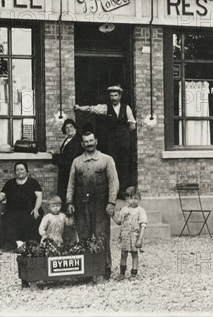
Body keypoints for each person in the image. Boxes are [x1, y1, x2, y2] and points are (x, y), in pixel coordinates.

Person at [67, 131, 119, 280]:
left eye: (91, 141)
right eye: (86, 142)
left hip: (101, 204)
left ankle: (105, 268)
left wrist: (111, 202)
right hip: (81, 204)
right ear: (82, 144)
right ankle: (86, 270)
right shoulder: (77, 162)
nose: (89, 144)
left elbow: (113, 182)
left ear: (96, 141)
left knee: (102, 236)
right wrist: (69, 202)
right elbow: (71, 183)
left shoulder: (106, 160)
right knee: (84, 236)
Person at [74, 85, 136, 199]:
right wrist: (78, 108)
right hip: (112, 140)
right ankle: (113, 192)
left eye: (116, 95)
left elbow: (132, 124)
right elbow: (91, 108)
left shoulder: (126, 108)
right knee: (112, 165)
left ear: (120, 96)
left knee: (124, 165)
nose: (113, 98)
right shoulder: (105, 108)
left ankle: (123, 192)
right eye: (111, 95)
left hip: (124, 140)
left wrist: (125, 133)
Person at [0, 161, 43, 250]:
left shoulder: (33, 182)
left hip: (29, 210)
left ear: (26, 171)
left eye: (22, 169)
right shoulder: (10, 183)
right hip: (13, 211)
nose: (19, 171)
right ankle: (16, 243)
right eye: (17, 170)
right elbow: (2, 195)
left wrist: (36, 209)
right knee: (8, 219)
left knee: (32, 218)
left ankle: (29, 244)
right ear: (15, 172)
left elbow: (39, 197)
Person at [111, 186, 147, 281]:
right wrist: (112, 215)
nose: (133, 201)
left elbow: (143, 225)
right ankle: (122, 273)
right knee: (123, 254)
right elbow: (119, 222)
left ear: (139, 199)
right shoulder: (123, 210)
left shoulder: (140, 211)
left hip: (134, 236)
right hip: (124, 235)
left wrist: (140, 239)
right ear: (127, 199)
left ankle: (134, 273)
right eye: (131, 198)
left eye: (136, 198)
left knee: (134, 254)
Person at [51, 118, 83, 211]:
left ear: (75, 128)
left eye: (71, 127)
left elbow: (70, 158)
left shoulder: (77, 140)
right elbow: (65, 155)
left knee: (69, 192)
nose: (69, 129)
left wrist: (55, 157)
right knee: (64, 192)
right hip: (64, 171)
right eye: (66, 128)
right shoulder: (68, 139)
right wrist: (55, 154)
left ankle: (69, 212)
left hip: (70, 171)